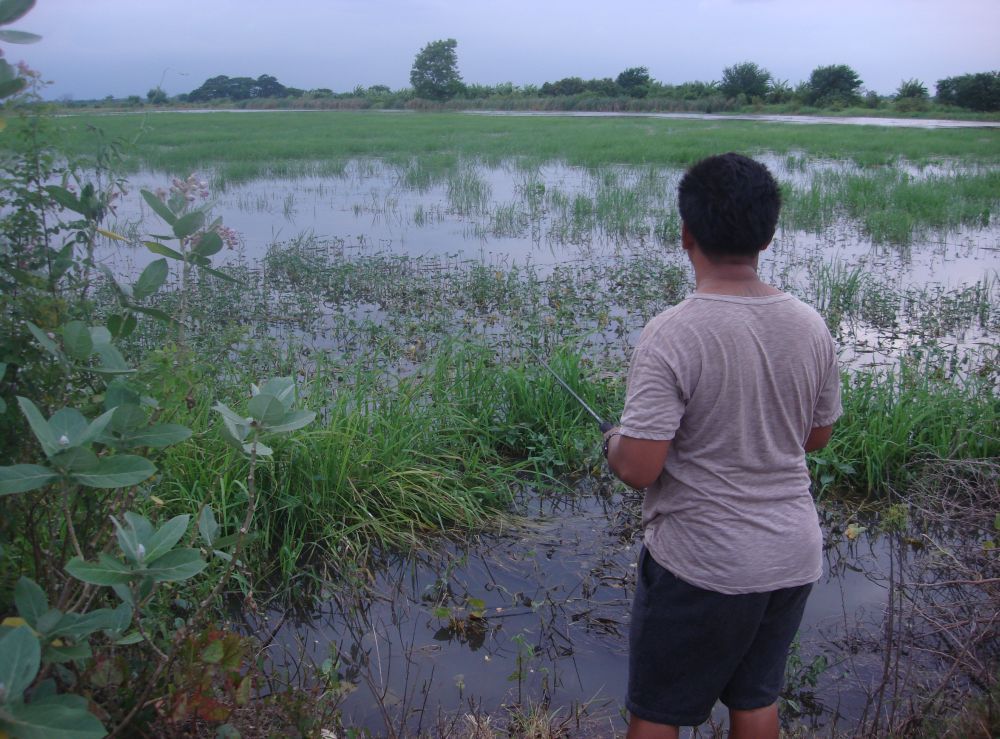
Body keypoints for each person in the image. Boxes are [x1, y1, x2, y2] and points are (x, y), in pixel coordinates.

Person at [602, 152, 842, 739]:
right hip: (791, 554)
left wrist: (612, 441)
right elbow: (816, 436)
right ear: (769, 233)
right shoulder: (809, 324)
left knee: (659, 713)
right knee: (755, 699)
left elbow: (638, 467)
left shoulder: (674, 331)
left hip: (704, 563)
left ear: (686, 234)